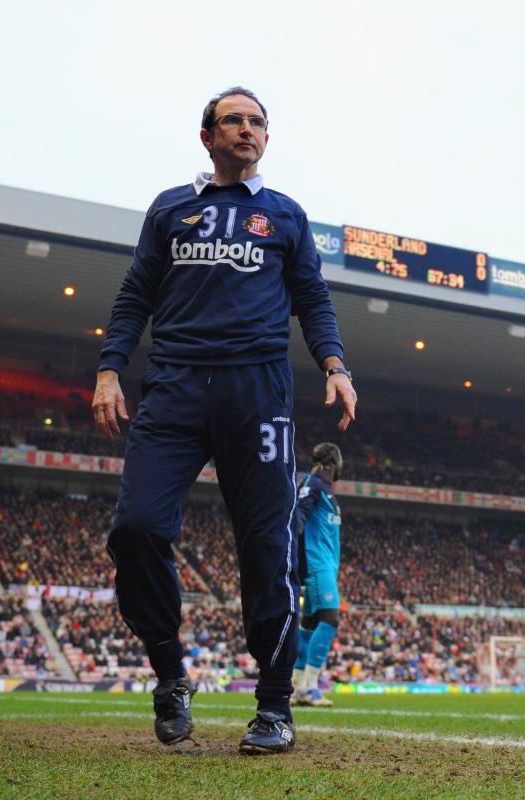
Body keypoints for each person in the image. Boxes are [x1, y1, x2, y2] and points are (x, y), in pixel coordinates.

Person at [93, 87, 356, 754]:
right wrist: (107, 368)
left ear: (267, 140)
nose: (248, 129)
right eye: (234, 120)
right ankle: (169, 671)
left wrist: (335, 364)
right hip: (174, 388)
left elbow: (313, 299)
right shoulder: (171, 209)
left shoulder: (286, 217)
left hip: (258, 392)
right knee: (136, 528)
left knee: (267, 549)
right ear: (206, 137)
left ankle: (274, 707)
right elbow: (133, 295)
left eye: (258, 122)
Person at [292, 443, 344, 708]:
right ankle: (310, 687)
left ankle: (298, 685)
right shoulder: (312, 484)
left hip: (327, 567)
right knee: (331, 618)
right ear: (334, 461)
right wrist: (288, 547)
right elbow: (299, 515)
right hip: (316, 565)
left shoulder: (327, 491)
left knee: (310, 625)